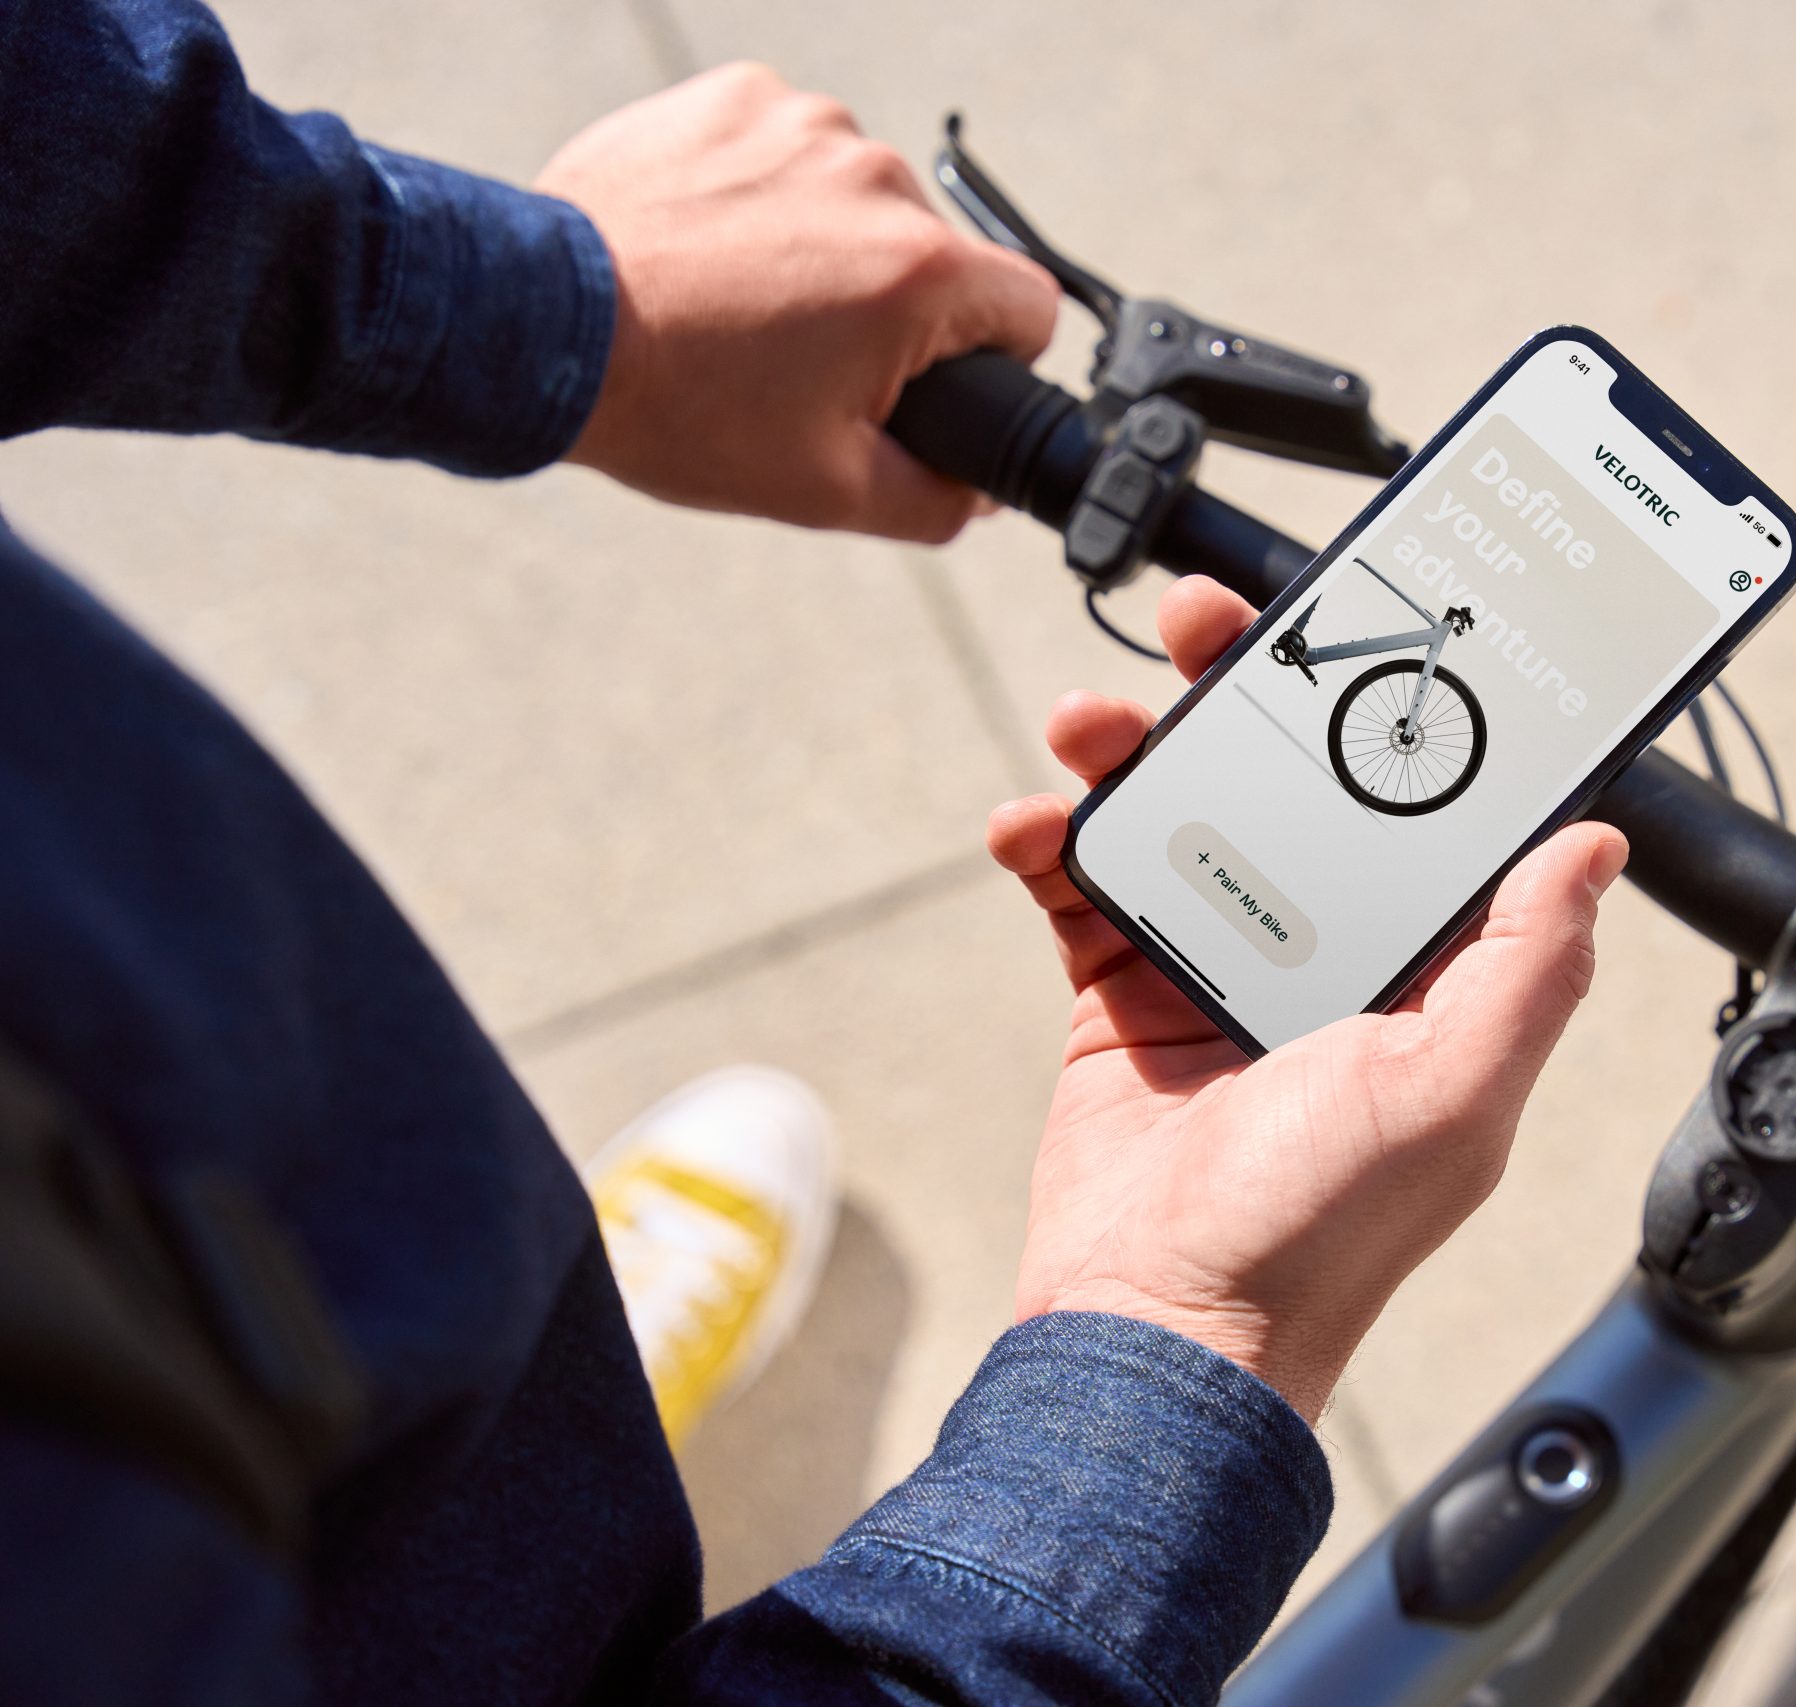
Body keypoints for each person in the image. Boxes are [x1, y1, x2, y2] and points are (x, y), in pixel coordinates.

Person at [0, 3, 1628, 1702]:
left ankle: (493, 1410)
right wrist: (1179, 1338)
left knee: (441, 1374)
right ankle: (446, 1480)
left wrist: (522, 298)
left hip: (254, 1213)